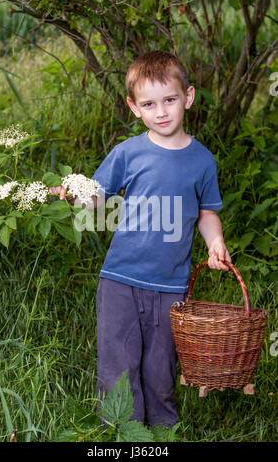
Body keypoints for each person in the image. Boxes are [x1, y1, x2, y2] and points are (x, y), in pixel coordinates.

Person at [50, 50, 231, 427]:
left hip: (171, 284)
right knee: (119, 362)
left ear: (189, 97)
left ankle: (163, 432)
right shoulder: (127, 153)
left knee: (161, 366)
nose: (161, 111)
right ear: (135, 108)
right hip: (120, 279)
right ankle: (120, 430)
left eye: (169, 100)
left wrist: (215, 242)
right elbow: (98, 201)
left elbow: (206, 213)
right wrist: (76, 191)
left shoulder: (202, 161)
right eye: (149, 104)